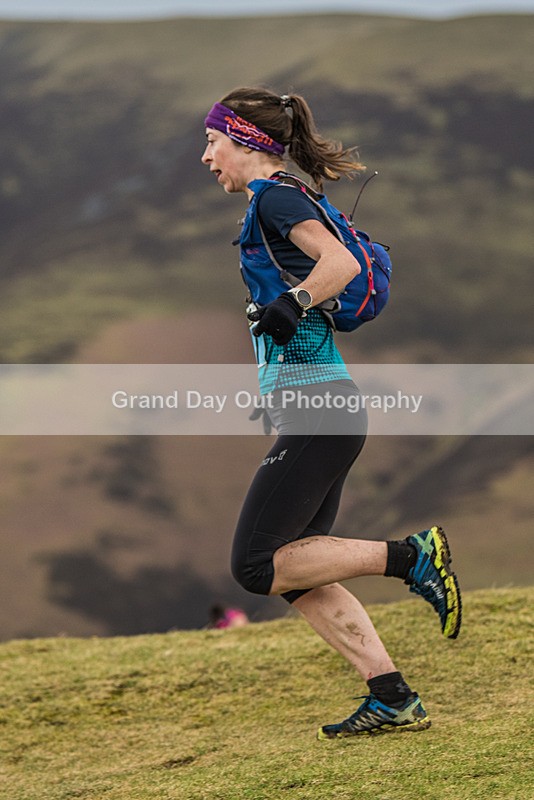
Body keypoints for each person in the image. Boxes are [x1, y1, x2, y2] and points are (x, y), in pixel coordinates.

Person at [201, 87, 461, 739]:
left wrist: (293, 302)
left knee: (257, 566)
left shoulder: (276, 198)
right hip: (318, 409)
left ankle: (413, 557)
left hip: (323, 410)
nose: (207, 157)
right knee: (296, 569)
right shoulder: (273, 201)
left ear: (244, 141)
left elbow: (340, 263)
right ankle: (392, 696)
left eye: (212, 142)